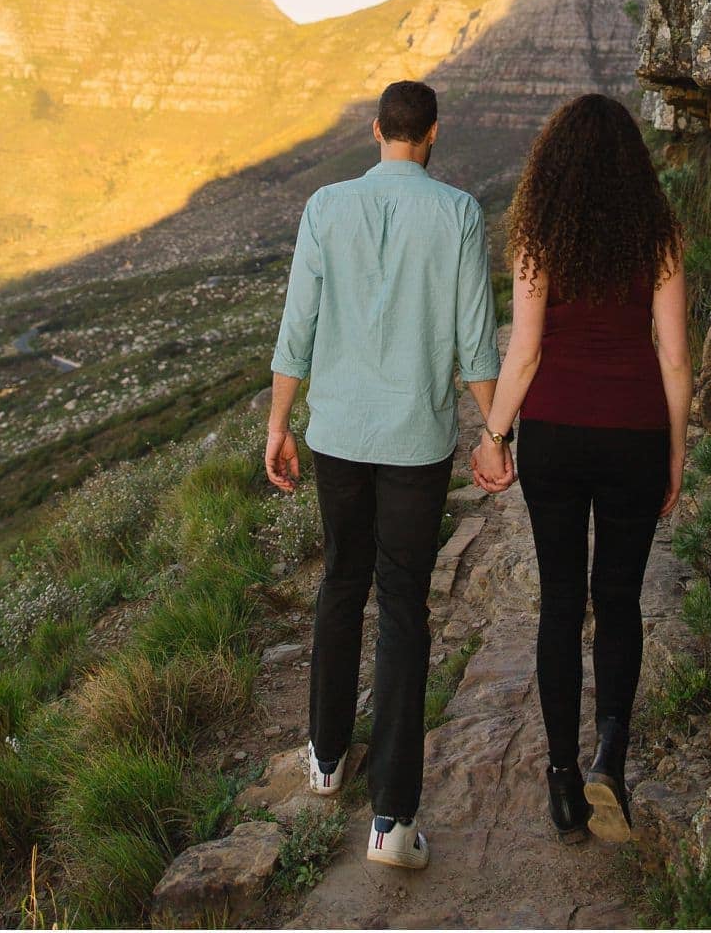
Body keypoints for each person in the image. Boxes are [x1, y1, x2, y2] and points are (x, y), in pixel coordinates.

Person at [265, 79, 502, 873]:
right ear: (432, 134)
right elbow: (475, 339)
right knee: (402, 605)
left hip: (336, 433)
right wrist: (495, 434)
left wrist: (278, 424)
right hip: (414, 440)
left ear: (376, 130)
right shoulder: (459, 212)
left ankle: (326, 760)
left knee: (341, 580)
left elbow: (298, 324)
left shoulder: (326, 206)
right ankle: (392, 823)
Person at [470, 92, 690, 844]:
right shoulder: (657, 233)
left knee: (561, 602)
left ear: (553, 164)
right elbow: (674, 356)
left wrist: (495, 435)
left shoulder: (540, 235)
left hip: (557, 438)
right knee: (619, 600)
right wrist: (675, 448)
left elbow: (525, 351)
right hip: (634, 433)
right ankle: (609, 761)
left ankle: (563, 781)